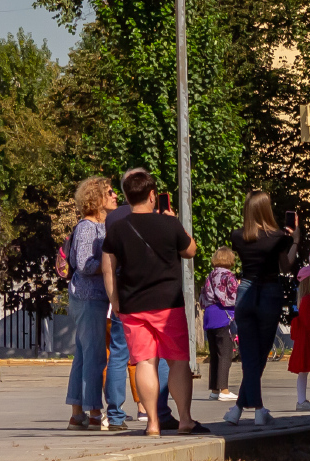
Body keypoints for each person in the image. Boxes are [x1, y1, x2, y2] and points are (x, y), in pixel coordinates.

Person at [100, 170, 207, 436]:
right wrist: (176, 222)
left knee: (145, 362)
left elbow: (107, 269)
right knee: (178, 362)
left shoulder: (117, 229)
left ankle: (152, 424)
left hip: (133, 306)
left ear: (126, 197)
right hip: (168, 304)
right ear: (152, 196)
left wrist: (116, 301)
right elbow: (191, 250)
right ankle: (184, 420)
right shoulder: (168, 225)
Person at [225, 191, 298, 426]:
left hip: (245, 291)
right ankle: (258, 410)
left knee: (249, 354)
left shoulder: (237, 236)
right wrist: (294, 240)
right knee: (260, 354)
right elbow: (286, 266)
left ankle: (238, 409)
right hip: (269, 292)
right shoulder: (279, 237)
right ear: (267, 209)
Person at [65, 177, 121, 430]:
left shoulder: (104, 224)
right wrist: (111, 266)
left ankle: (78, 413)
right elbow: (84, 264)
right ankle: (94, 411)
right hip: (88, 297)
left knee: (83, 355)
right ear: (96, 198)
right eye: (109, 192)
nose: (115, 196)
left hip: (92, 297)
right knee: (95, 356)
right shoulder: (88, 227)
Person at [202, 247, 239, 402]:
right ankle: (224, 390)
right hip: (224, 316)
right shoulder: (228, 275)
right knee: (225, 353)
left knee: (214, 354)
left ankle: (215, 390)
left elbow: (203, 296)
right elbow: (232, 297)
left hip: (210, 315)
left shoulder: (210, 275)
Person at [289, 267, 310, 410]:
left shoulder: (304, 299)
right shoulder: (309, 300)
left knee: (304, 371)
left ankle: (302, 400)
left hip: (304, 339)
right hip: (308, 340)